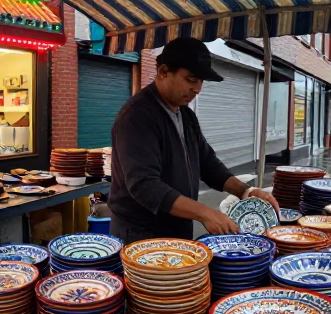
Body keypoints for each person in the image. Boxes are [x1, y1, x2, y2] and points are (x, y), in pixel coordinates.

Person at [108, 36, 281, 242]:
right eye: (191, 79)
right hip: (142, 234)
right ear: (163, 72)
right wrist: (205, 213)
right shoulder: (137, 116)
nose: (197, 89)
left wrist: (246, 192)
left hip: (178, 226)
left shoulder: (186, 115)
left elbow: (207, 163)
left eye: (201, 81)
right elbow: (144, 185)